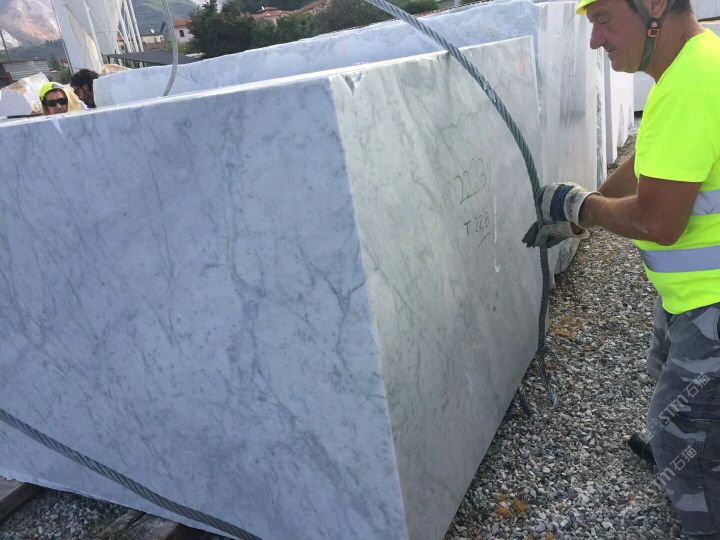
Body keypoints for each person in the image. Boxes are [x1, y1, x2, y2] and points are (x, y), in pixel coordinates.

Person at [524, 0, 720, 536]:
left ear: (654, 4)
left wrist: (579, 206)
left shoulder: (689, 85)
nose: (595, 41)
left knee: (682, 426)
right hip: (690, 295)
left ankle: (698, 478)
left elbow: (659, 221)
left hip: (711, 303)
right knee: (666, 374)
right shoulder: (696, 62)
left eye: (604, 19)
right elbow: (649, 164)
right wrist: (579, 220)